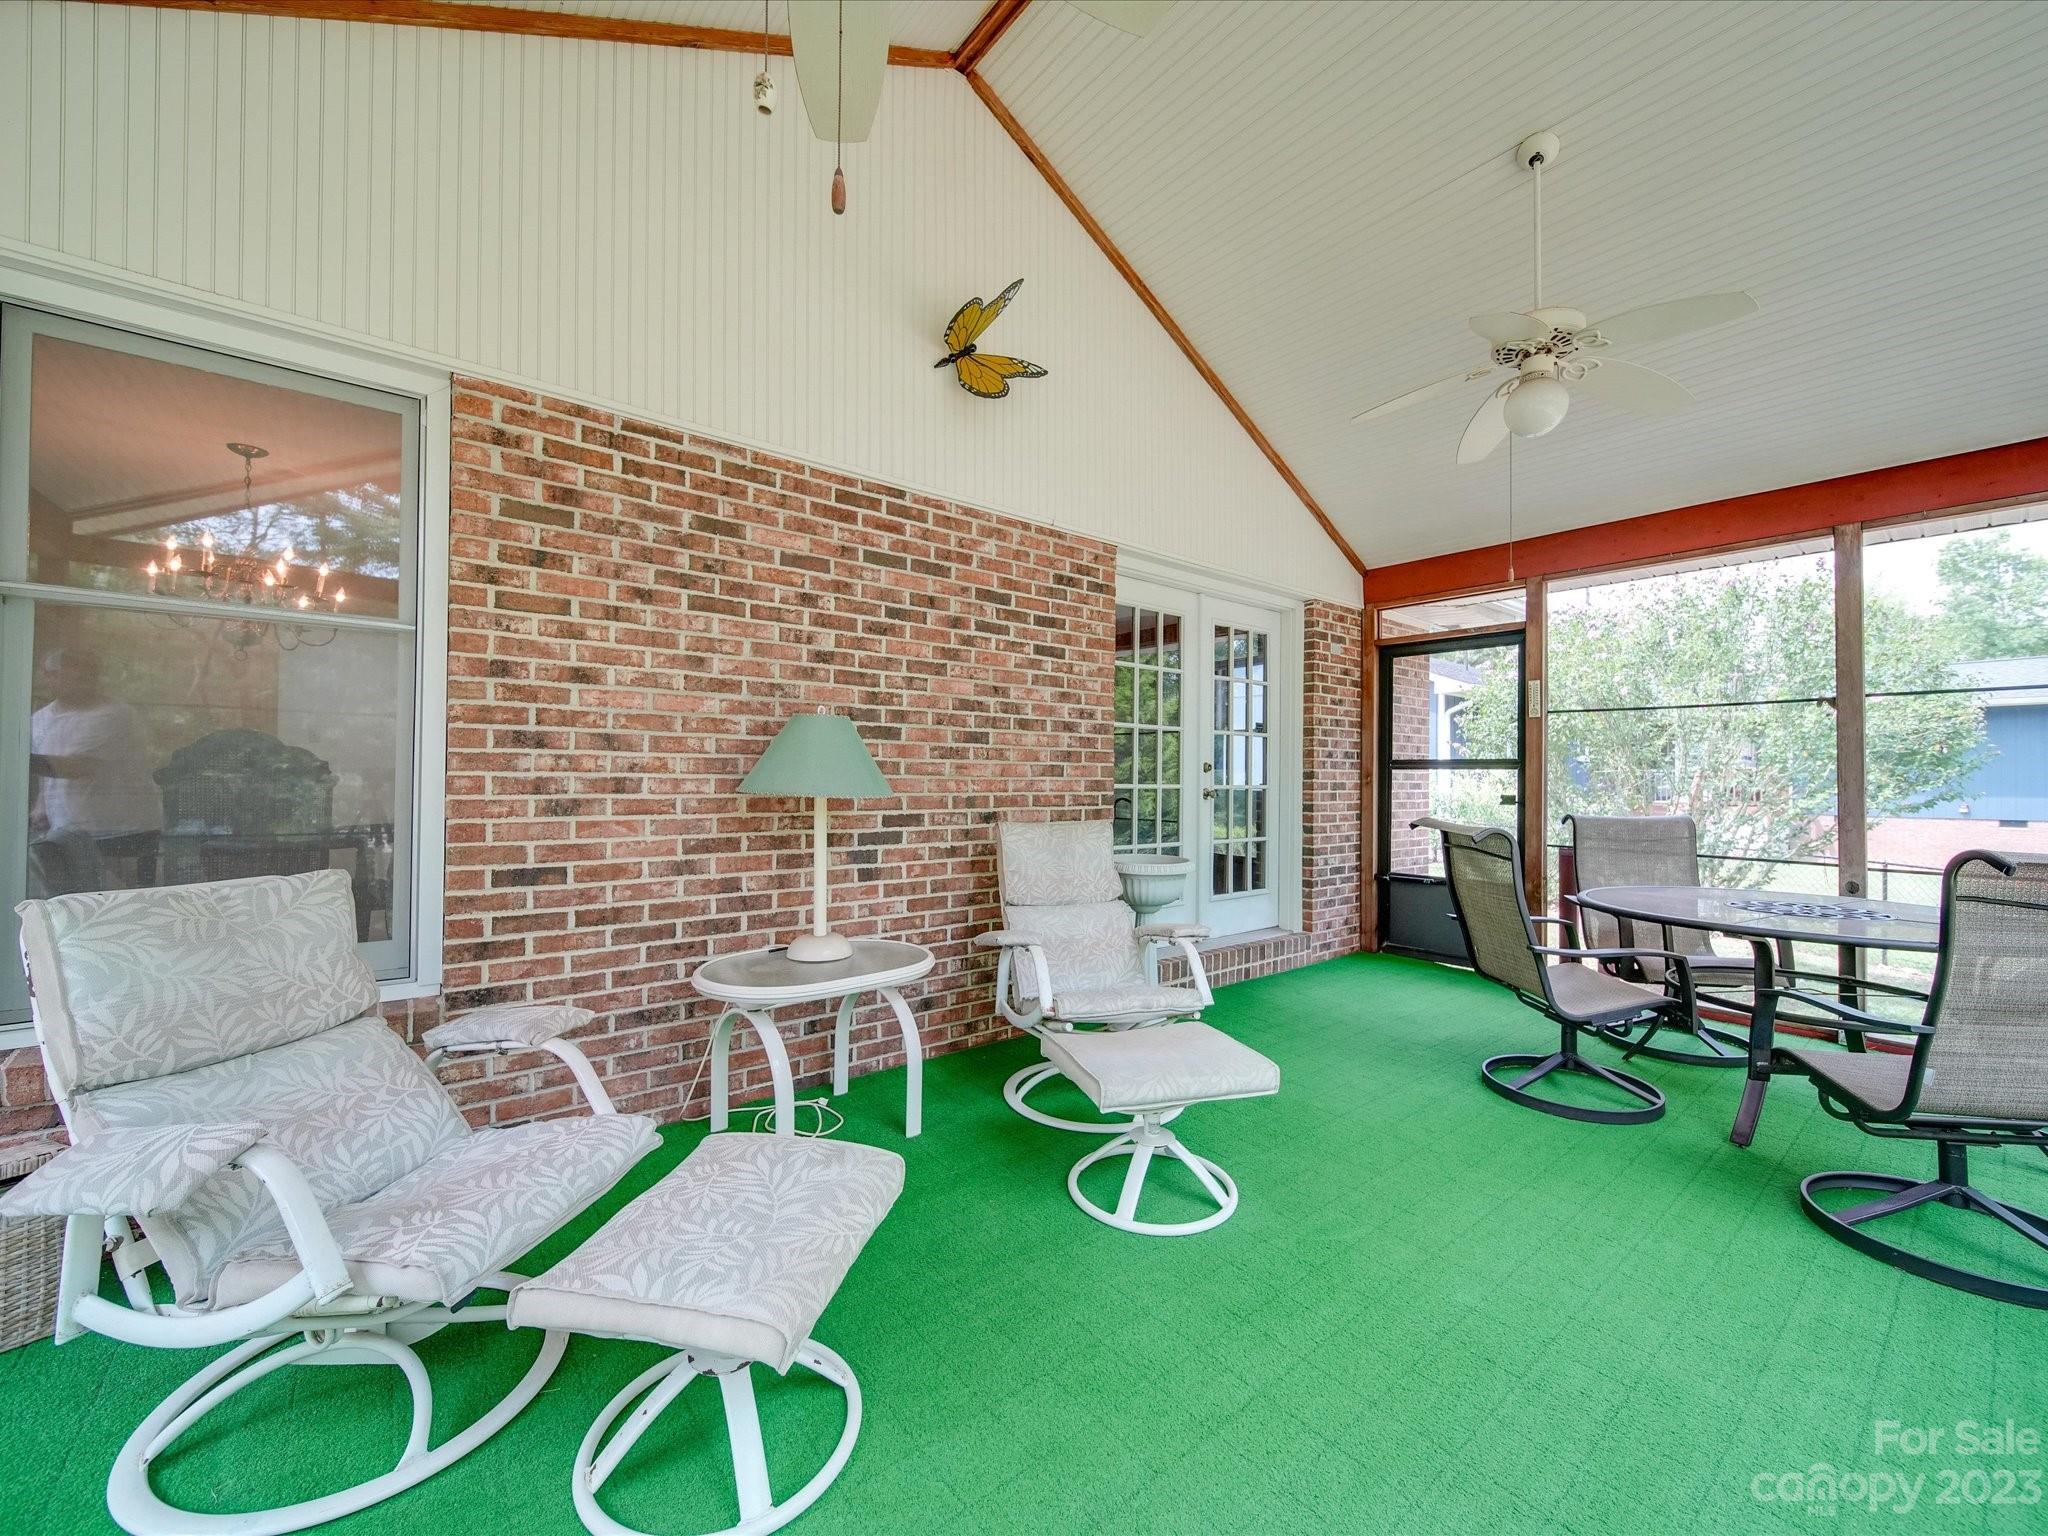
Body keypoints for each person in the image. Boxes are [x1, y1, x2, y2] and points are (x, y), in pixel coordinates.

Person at [28, 648, 162, 843]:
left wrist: (16, 757)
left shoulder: (111, 715)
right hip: (67, 828)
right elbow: (47, 773)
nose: (75, 681)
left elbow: (76, 767)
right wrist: (41, 806)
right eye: (54, 674)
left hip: (118, 830)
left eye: (81, 676)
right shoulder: (39, 719)